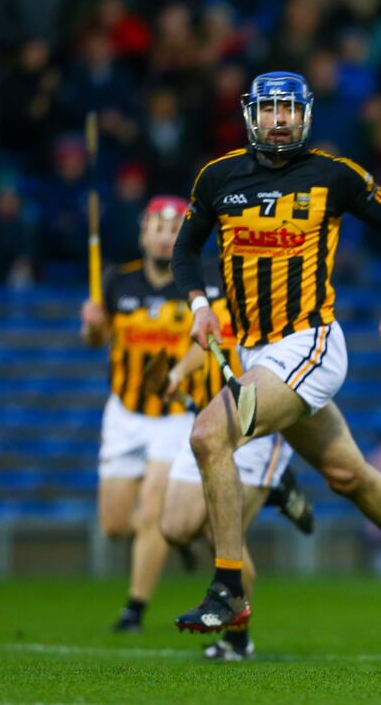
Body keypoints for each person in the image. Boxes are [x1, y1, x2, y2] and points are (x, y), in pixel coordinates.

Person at [169, 72, 381, 641]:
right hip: (260, 351)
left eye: (289, 109)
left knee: (210, 436)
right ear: (251, 115)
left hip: (310, 343)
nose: (279, 119)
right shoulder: (218, 177)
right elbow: (186, 247)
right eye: (269, 109)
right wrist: (197, 304)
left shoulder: (334, 175)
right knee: (345, 474)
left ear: (305, 116)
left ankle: (229, 587)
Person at [158, 278, 314, 661]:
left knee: (222, 535)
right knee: (175, 528)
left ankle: (238, 640)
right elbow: (214, 339)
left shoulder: (277, 281)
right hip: (210, 420)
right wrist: (179, 372)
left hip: (255, 422)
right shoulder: (212, 275)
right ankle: (280, 488)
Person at [80, 196, 195, 632]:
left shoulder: (200, 284)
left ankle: (134, 608)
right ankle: (175, 536)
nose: (166, 237)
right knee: (113, 525)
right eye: (158, 229)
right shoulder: (118, 281)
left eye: (175, 229)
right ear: (144, 233)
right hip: (124, 414)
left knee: (151, 513)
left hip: (175, 415)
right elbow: (95, 340)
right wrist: (92, 324)